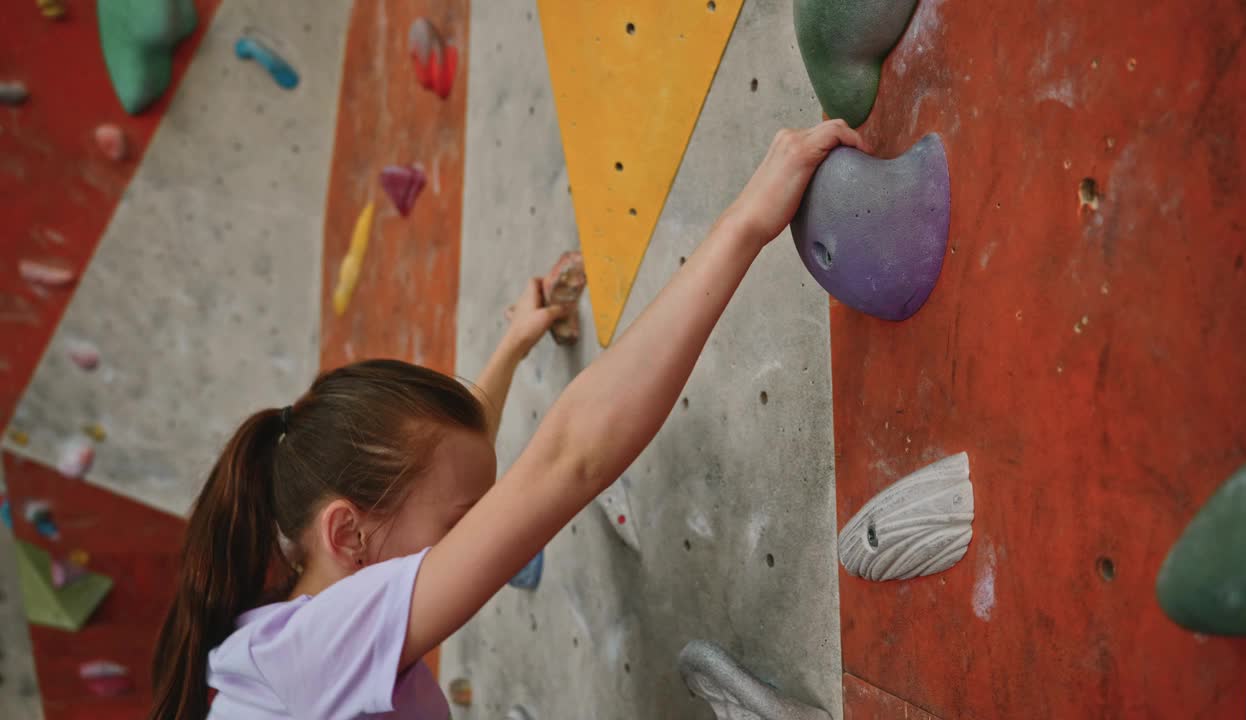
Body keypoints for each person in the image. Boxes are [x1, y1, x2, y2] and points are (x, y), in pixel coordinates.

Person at [147, 119, 868, 720]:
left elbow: (439, 479)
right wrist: (746, 222)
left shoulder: (292, 636)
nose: (488, 537)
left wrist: (512, 346)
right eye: (462, 526)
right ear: (346, 532)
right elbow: (566, 461)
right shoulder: (312, 654)